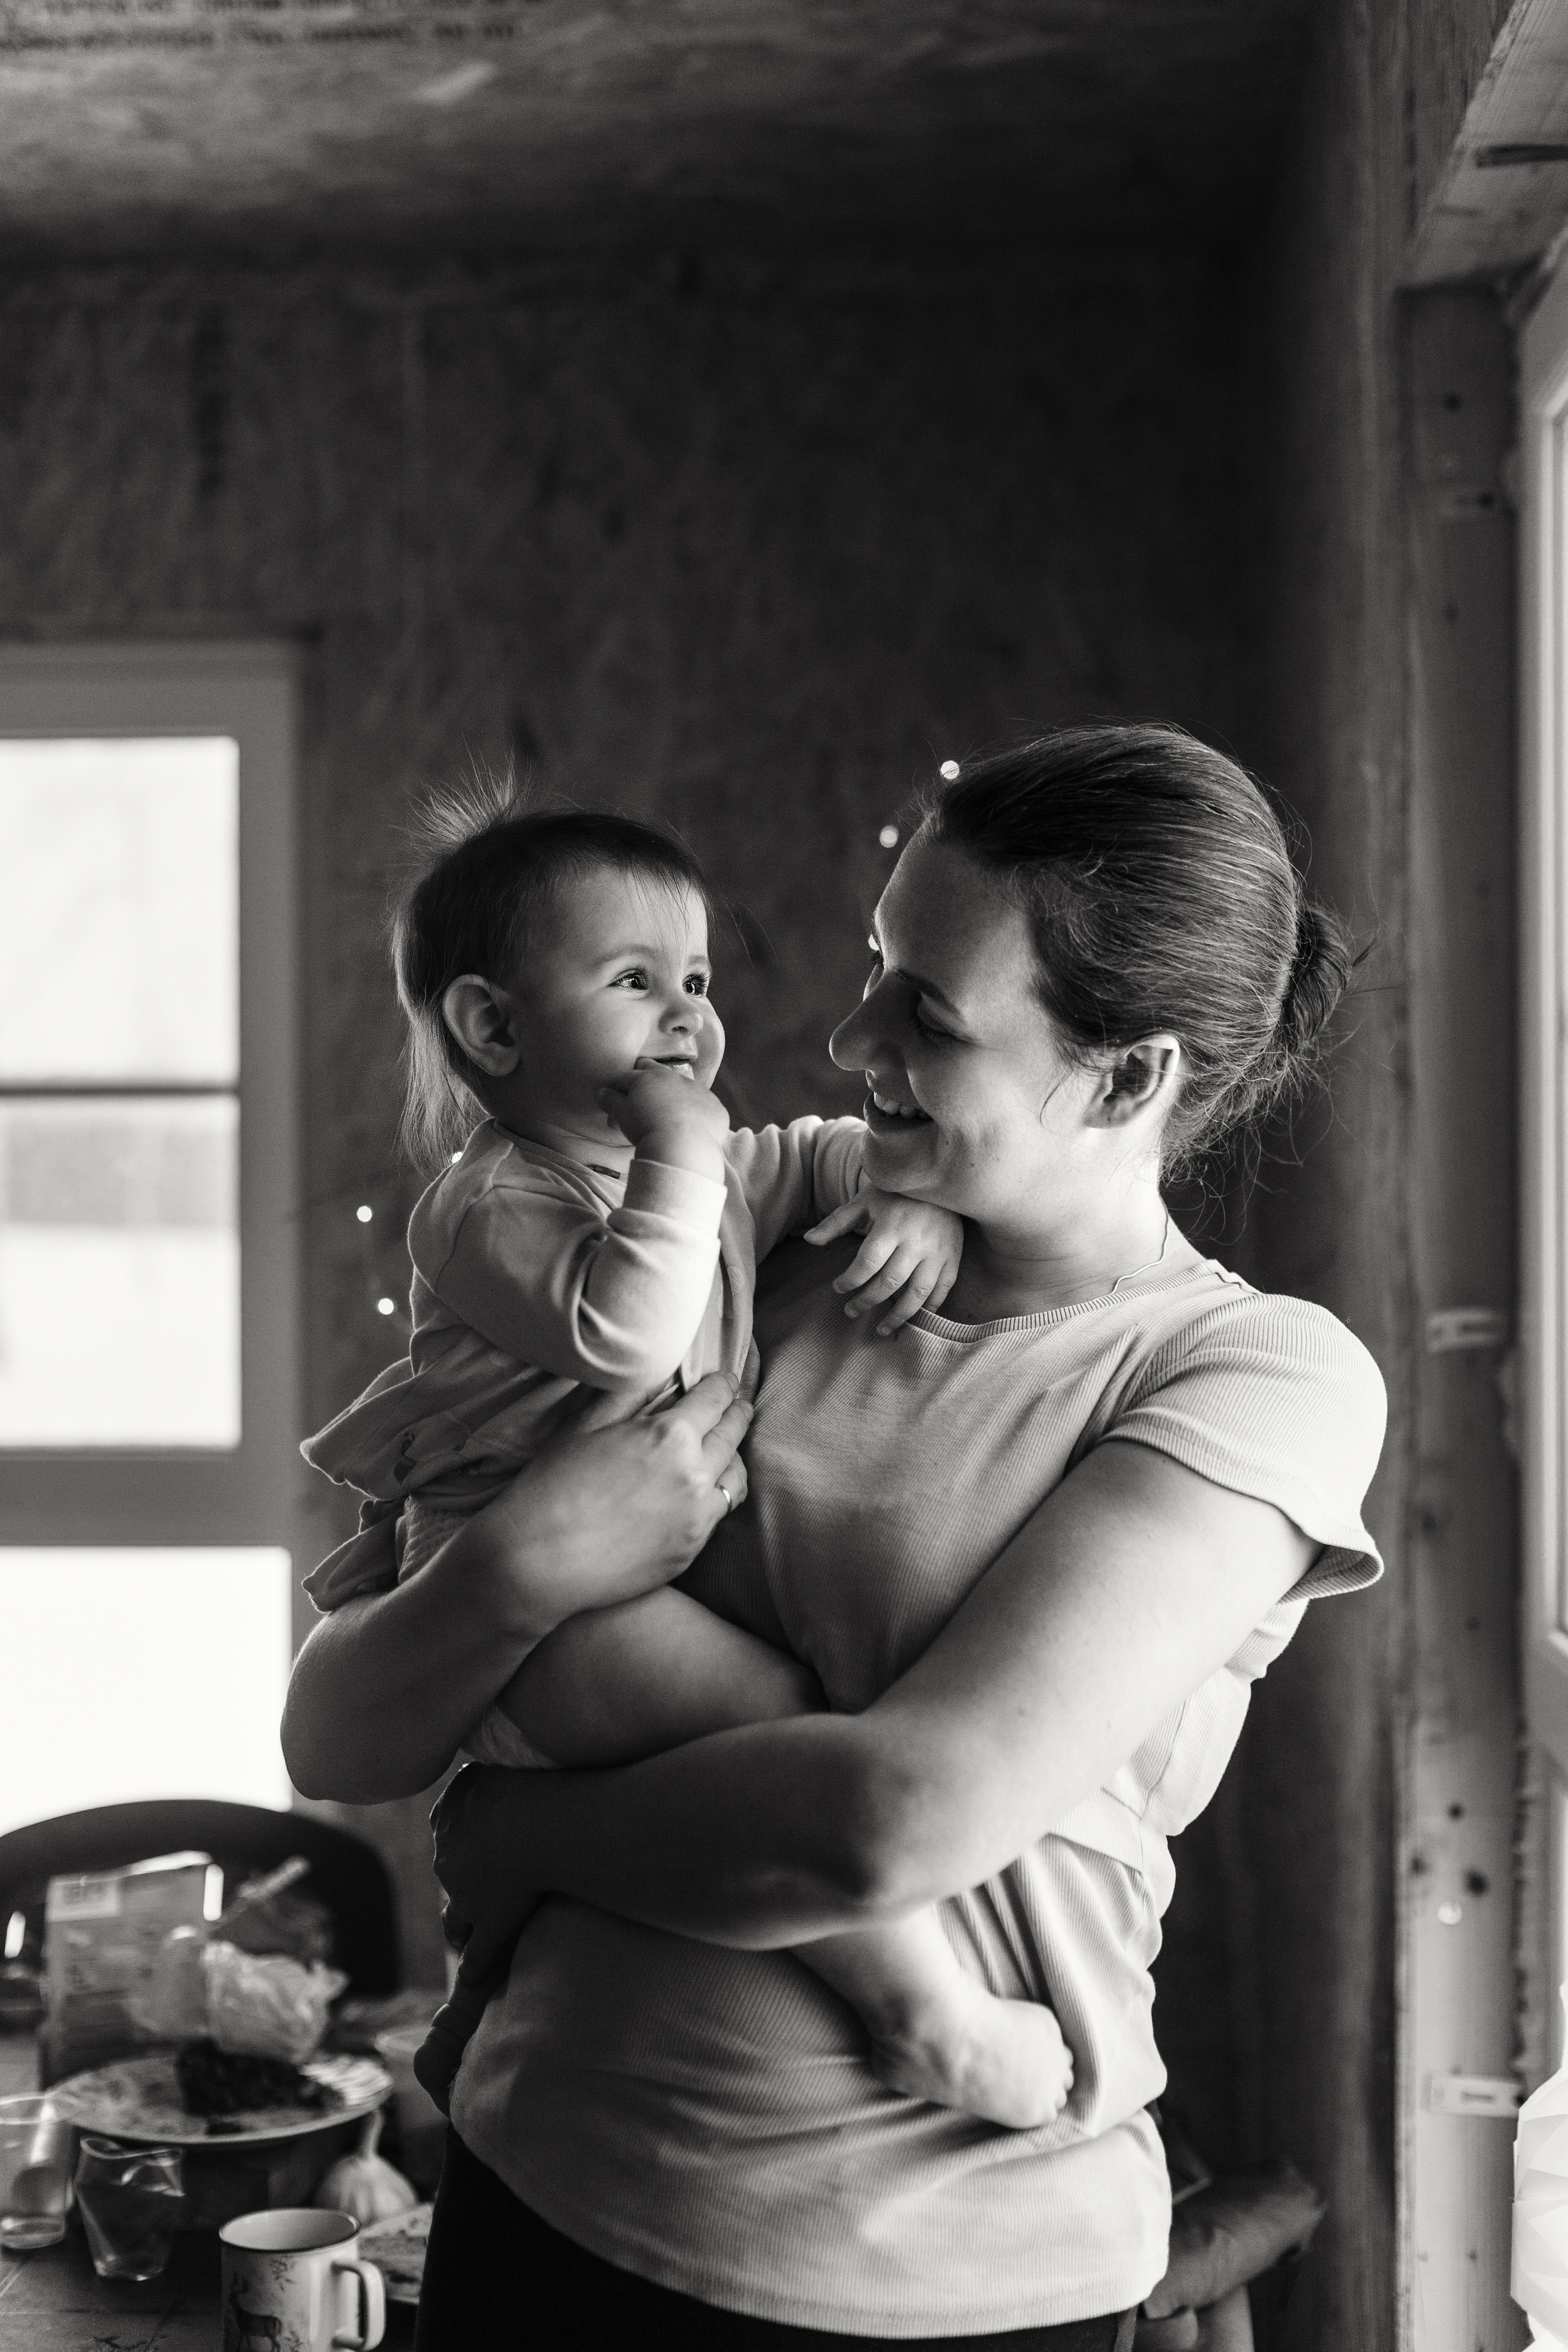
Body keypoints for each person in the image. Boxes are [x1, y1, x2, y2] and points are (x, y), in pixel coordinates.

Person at [282, 722, 1388, 2351]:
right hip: (537, 2186)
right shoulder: (743, 1239)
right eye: (879, 964)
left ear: (1129, 1075)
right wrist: (522, 1565)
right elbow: (333, 1728)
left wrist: (536, 1836)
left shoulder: (1248, 1375)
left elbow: (889, 1823)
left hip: (930, 2271)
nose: (845, 1031)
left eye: (926, 1010)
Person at [300, 786, 1075, 2128]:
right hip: (530, 1621)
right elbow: (622, 1328)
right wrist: (684, 1152)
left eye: (696, 980)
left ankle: (549, 1882)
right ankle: (924, 2017)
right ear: (493, 1026)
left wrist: (910, 1208)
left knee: (772, 1754)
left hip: (614, 1594)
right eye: (632, 979)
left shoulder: (680, 1166)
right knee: (781, 1731)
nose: (688, 1017)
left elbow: (825, 1157)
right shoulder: (490, 1202)